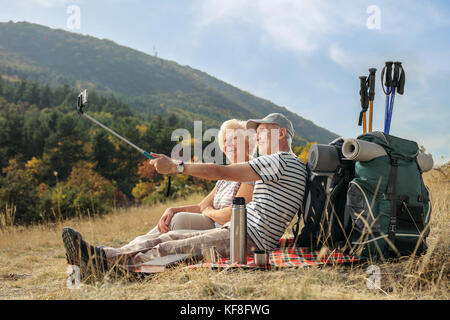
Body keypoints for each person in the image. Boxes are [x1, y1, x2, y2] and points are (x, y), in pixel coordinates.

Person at [62, 113, 307, 276]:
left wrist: (177, 166)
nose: (257, 138)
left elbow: (219, 170)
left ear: (281, 134)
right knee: (162, 239)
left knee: (169, 249)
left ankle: (103, 267)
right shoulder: (279, 164)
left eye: (262, 133)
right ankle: (97, 256)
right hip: (237, 233)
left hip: (247, 241)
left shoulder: (281, 161)